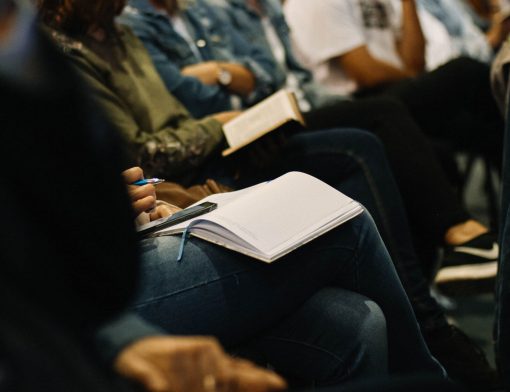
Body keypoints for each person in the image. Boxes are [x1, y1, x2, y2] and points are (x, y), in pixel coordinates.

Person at [116, 0, 499, 386]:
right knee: (347, 206)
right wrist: (224, 94)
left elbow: (266, 75)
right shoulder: (106, 40)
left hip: (152, 218)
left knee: (361, 321)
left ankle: (438, 307)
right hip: (116, 267)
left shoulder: (137, 30)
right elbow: (176, 120)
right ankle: (436, 346)